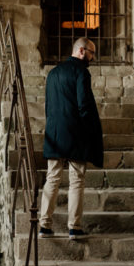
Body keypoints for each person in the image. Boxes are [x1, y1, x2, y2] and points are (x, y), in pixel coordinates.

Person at [38, 37, 103, 240]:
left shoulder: (53, 73)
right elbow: (84, 105)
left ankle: (44, 226)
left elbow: (48, 106)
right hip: (76, 133)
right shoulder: (81, 72)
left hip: (54, 133)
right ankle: (74, 228)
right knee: (76, 181)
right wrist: (90, 130)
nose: (93, 58)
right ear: (81, 51)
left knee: (52, 178)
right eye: (91, 53)